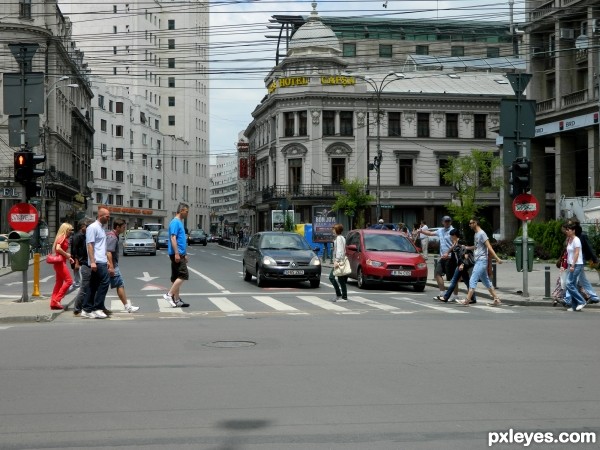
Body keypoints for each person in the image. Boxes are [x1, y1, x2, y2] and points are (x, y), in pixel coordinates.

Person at [457, 217, 504, 307]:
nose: (469, 225)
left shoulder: (482, 233)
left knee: (473, 279)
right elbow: (476, 247)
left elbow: (489, 247)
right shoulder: (476, 234)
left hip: (482, 261)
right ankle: (496, 299)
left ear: (475, 223)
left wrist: (497, 258)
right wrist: (466, 247)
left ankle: (467, 300)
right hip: (478, 260)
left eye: (471, 223)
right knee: (486, 281)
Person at [81, 207, 111, 319]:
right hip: (97, 261)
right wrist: (92, 261)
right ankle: (97, 308)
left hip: (101, 259)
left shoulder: (101, 228)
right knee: (105, 282)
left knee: (93, 285)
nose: (109, 218)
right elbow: (90, 245)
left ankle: (86, 308)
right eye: (107, 216)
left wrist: (107, 260)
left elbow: (102, 246)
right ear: (101, 215)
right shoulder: (93, 227)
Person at [106, 219, 140, 313]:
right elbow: (108, 252)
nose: (125, 229)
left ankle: (97, 306)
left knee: (105, 286)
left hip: (110, 265)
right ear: (117, 227)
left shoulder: (112, 235)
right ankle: (127, 306)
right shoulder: (112, 237)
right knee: (119, 284)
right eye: (123, 227)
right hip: (112, 265)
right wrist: (112, 267)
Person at [433, 229, 476, 303]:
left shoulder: (460, 242)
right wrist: (447, 253)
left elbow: (465, 254)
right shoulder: (456, 242)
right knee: (467, 282)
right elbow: (453, 249)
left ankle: (446, 297)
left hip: (461, 265)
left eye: (451, 235)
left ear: (455, 235)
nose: (450, 237)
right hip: (460, 265)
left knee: (453, 281)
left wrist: (462, 264)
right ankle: (473, 298)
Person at [419, 216, 457, 299]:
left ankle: (455, 295)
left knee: (452, 278)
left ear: (450, 222)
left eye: (448, 221)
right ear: (442, 222)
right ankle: (442, 293)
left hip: (450, 257)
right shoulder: (441, 230)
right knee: (437, 274)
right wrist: (421, 231)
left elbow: (455, 243)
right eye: (445, 221)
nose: (447, 223)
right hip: (442, 257)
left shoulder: (453, 230)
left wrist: (448, 252)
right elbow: (430, 233)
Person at [164, 203, 191, 308]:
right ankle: (169, 294)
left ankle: (177, 299)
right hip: (177, 253)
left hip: (180, 253)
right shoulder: (175, 222)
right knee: (183, 275)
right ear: (181, 210)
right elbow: (173, 238)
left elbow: (180, 240)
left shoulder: (179, 222)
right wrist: (177, 253)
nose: (187, 214)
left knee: (175, 277)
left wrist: (185, 254)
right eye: (187, 211)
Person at [49, 223, 75, 310]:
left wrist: (68, 258)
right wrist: (67, 255)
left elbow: (59, 250)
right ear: (65, 229)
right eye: (70, 230)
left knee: (59, 282)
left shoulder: (62, 237)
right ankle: (57, 299)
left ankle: (53, 301)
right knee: (69, 281)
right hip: (60, 263)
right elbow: (58, 248)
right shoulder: (62, 237)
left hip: (59, 262)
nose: (71, 232)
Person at [71, 217, 93, 316]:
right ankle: (77, 308)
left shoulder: (86, 235)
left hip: (84, 262)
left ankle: (85, 305)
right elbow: (75, 251)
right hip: (80, 262)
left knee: (85, 285)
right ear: (82, 227)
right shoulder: (78, 236)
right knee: (81, 285)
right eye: (86, 226)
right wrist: (76, 262)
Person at [563, 223, 587, 311]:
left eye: (568, 230)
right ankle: (574, 306)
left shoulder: (576, 240)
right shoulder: (569, 239)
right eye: (566, 229)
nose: (566, 231)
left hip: (576, 264)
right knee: (573, 285)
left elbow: (577, 253)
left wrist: (573, 265)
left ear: (573, 231)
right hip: (571, 264)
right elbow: (568, 253)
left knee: (569, 284)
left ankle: (582, 301)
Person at [329, 223, 348, 302]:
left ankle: (341, 295)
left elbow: (340, 251)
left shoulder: (339, 239)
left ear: (337, 230)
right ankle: (343, 296)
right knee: (341, 279)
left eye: (334, 229)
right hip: (341, 260)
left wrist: (336, 261)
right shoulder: (342, 238)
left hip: (339, 261)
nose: (333, 231)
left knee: (331, 277)